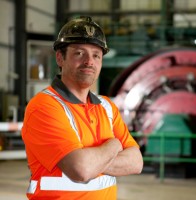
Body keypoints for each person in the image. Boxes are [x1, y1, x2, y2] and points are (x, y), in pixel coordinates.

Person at [21, 16, 143, 199]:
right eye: (79, 53)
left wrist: (93, 161)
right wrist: (113, 145)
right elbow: (81, 169)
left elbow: (136, 163)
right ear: (60, 58)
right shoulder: (45, 106)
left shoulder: (107, 107)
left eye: (96, 55)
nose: (89, 61)